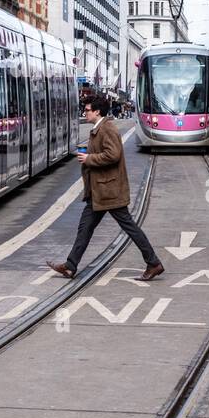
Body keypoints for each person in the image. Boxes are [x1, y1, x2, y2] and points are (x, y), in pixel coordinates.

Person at [50, 95, 164, 282]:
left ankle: (153, 263)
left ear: (97, 111)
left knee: (129, 227)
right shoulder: (98, 128)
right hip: (99, 192)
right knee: (85, 228)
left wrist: (89, 159)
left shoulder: (107, 128)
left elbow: (113, 155)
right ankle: (70, 266)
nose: (84, 113)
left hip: (109, 191)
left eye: (87, 110)